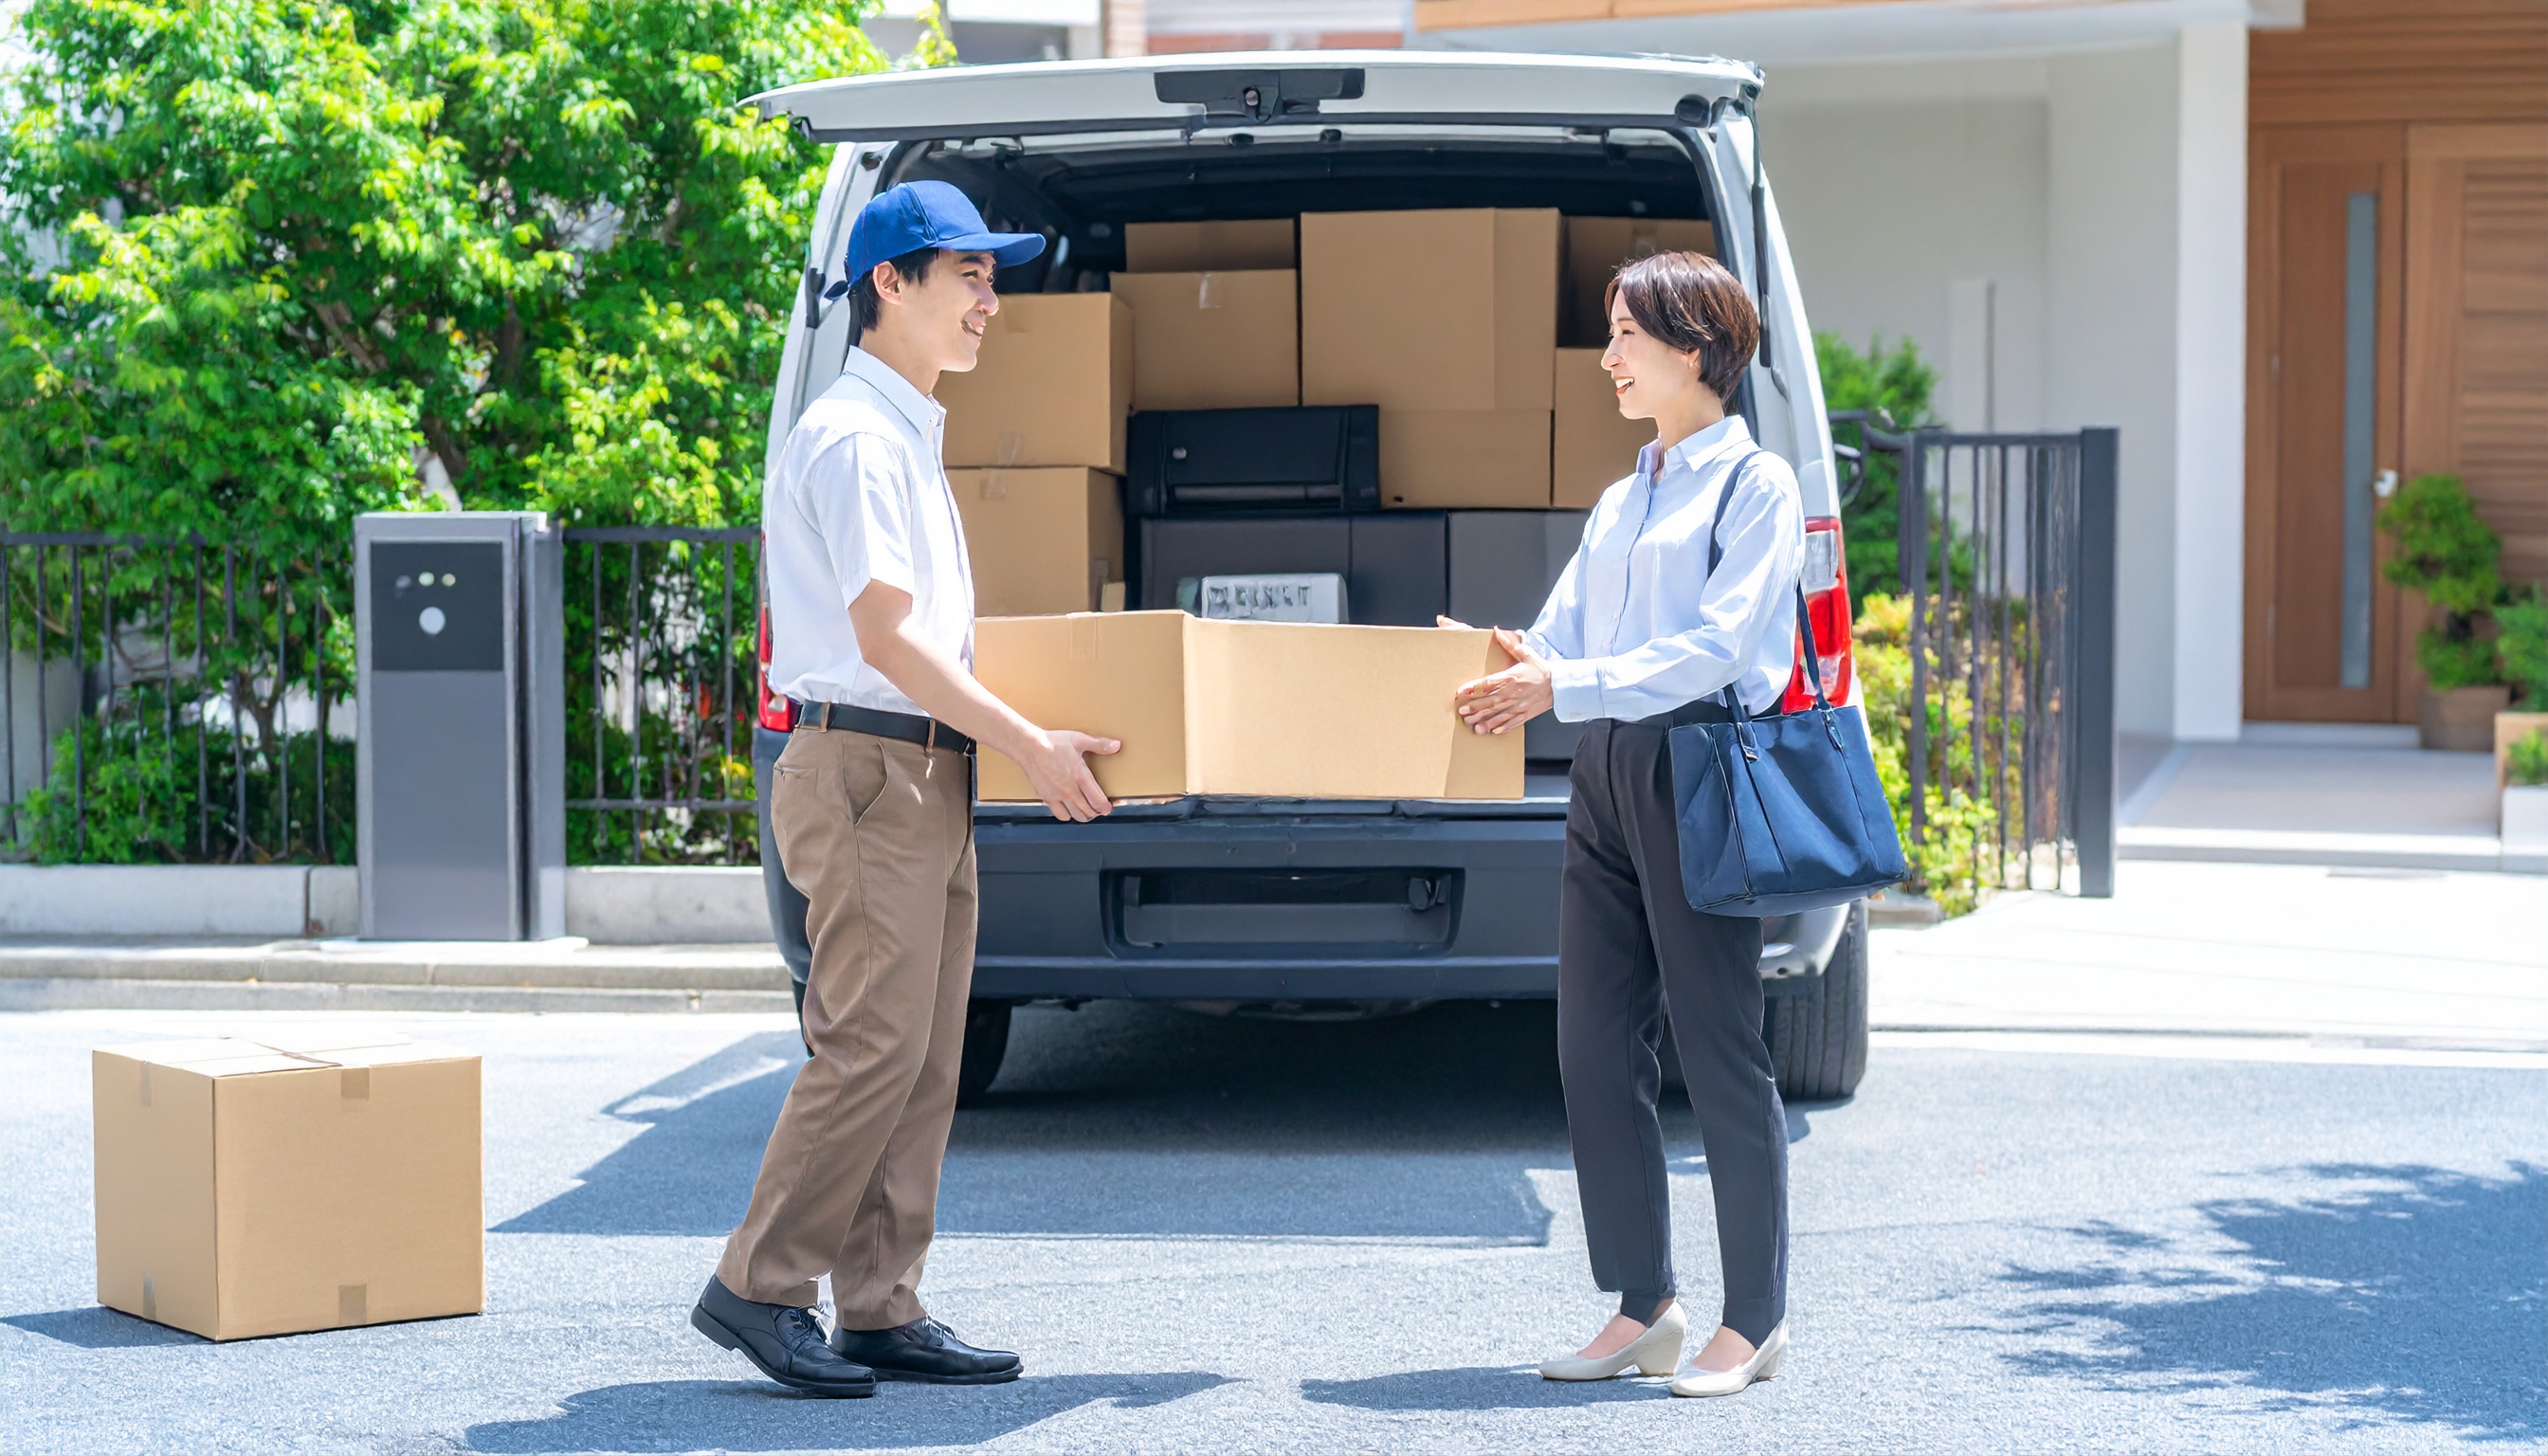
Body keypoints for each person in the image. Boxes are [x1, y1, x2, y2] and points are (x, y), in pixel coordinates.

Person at [690, 180, 1122, 1399]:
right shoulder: (856, 439)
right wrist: (1032, 744)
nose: (991, 300)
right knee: (871, 1040)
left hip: (921, 767)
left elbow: (923, 644)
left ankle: (878, 1303)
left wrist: (1020, 732)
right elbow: (886, 640)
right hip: (869, 763)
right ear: (891, 282)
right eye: (967, 274)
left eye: (995, 276)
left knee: (925, 1053)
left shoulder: (907, 437)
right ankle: (760, 1287)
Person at [1448, 250, 1804, 1399]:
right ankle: (1643, 1304)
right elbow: (1563, 640)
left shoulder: (1756, 487)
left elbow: (1716, 649)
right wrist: (1510, 661)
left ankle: (1754, 1320)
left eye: (1626, 338)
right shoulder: (1622, 495)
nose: (1606, 360)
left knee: (1720, 1047)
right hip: (1604, 772)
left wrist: (1571, 683)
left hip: (1696, 763)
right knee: (1593, 1045)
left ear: (1695, 351)